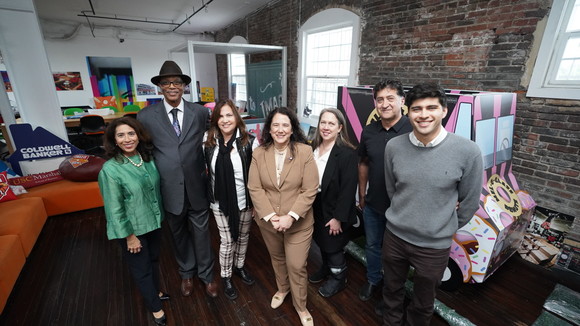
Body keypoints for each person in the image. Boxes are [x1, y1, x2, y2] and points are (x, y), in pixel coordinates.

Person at [381, 83, 483, 325]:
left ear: (444, 111)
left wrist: (442, 227)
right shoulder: (393, 146)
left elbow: (469, 201)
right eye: (416, 109)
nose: (423, 114)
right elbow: (391, 188)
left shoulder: (468, 152)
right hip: (395, 237)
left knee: (424, 302)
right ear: (408, 112)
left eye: (431, 108)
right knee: (391, 291)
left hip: (433, 247)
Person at [137, 60, 217, 298]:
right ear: (159, 87)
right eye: (166, 83)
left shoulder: (201, 112)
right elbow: (145, 150)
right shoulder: (145, 116)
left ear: (184, 86)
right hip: (169, 188)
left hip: (196, 185)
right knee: (178, 235)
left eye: (177, 82)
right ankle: (186, 274)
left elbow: (208, 144)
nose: (172, 86)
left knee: (202, 234)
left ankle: (207, 276)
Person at [248, 107, 319, 326]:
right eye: (276, 125)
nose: (280, 129)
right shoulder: (259, 153)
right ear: (269, 128)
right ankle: (282, 289)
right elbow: (255, 188)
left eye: (285, 125)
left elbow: (310, 189)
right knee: (277, 258)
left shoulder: (304, 152)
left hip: (299, 223)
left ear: (292, 129)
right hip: (269, 222)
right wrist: (270, 216)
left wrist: (291, 216)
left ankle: (301, 305)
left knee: (296, 265)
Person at [98, 117, 169, 326]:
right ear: (114, 140)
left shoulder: (146, 158)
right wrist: (129, 237)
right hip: (132, 230)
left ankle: (155, 292)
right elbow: (113, 208)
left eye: (131, 133)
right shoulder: (110, 170)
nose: (127, 139)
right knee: (142, 269)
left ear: (139, 136)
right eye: (121, 135)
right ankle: (155, 307)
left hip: (153, 221)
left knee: (154, 260)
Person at [357, 79, 413, 301]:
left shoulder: (414, 129)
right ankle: (373, 280)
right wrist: (362, 194)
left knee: (396, 255)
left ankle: (392, 291)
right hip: (373, 205)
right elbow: (363, 163)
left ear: (402, 100)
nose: (385, 104)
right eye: (380, 99)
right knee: (372, 246)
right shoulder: (369, 131)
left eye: (390, 98)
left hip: (402, 209)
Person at [203, 99, 258, 300]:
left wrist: (255, 203)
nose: (225, 120)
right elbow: (204, 172)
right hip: (219, 202)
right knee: (227, 241)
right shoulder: (208, 142)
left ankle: (240, 266)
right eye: (221, 116)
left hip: (244, 201)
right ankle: (226, 276)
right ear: (216, 120)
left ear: (236, 117)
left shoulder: (250, 142)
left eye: (229, 115)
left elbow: (256, 176)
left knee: (243, 237)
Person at [308, 108, 358, 298]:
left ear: (340, 128)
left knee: (333, 245)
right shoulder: (313, 147)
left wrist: (338, 218)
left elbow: (347, 190)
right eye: (323, 122)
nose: (326, 127)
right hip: (316, 204)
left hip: (335, 208)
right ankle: (327, 268)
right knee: (321, 241)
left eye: (331, 123)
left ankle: (339, 278)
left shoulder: (347, 154)